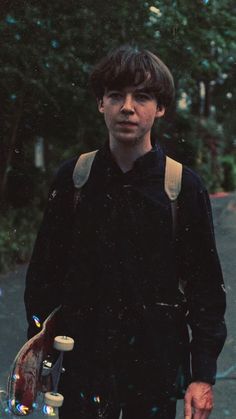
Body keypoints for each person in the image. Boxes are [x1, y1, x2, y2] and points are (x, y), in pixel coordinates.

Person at [24, 45, 227, 419]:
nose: (128, 107)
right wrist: (38, 352)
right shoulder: (74, 179)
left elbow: (206, 290)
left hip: (155, 369)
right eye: (116, 95)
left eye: (142, 96)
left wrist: (202, 376)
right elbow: (43, 276)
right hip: (80, 365)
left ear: (161, 107)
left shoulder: (182, 186)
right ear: (101, 103)